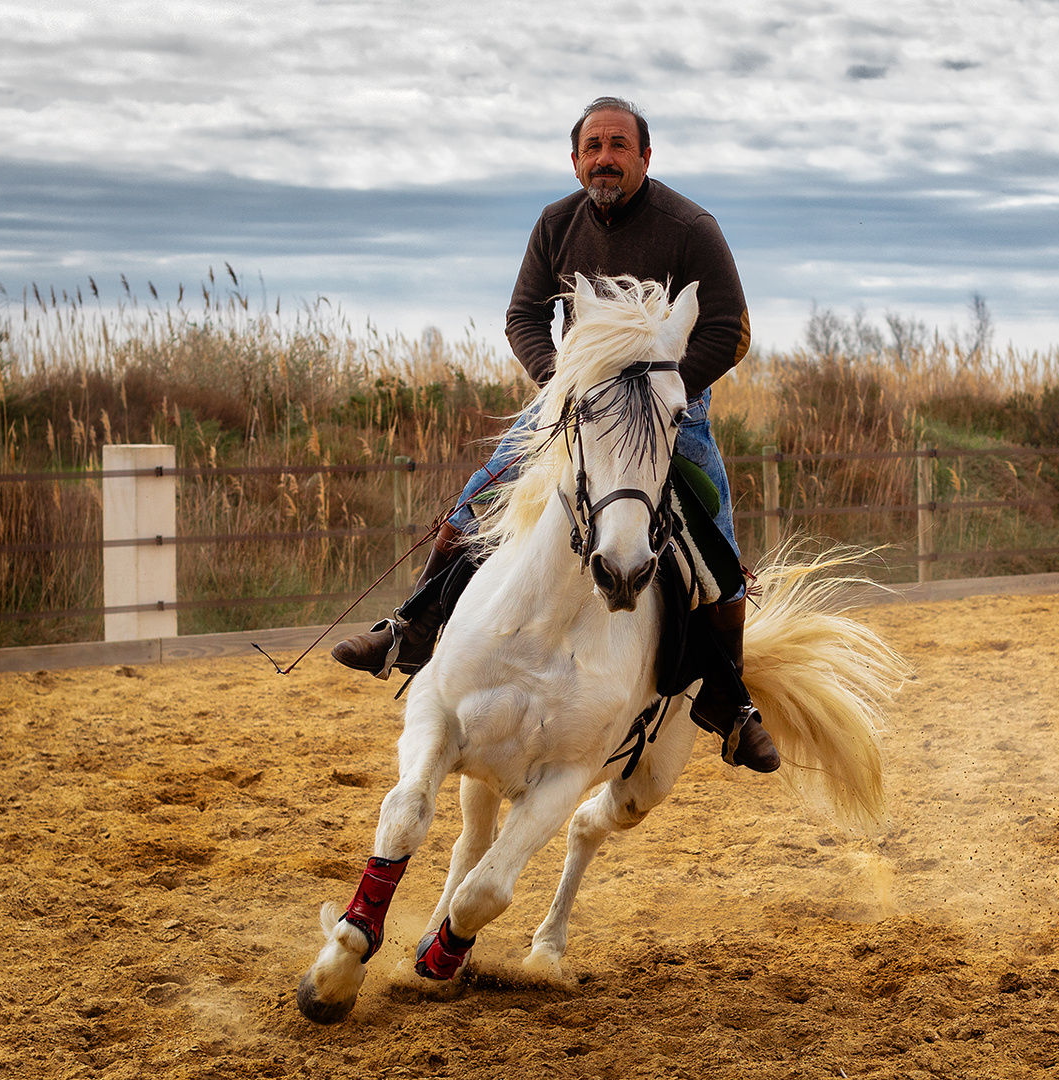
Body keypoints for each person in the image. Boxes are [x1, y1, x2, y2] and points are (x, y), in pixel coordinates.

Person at [331, 96, 779, 773]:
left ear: (645, 158)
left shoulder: (690, 226)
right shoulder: (555, 225)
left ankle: (731, 699)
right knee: (474, 500)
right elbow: (520, 317)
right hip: (575, 400)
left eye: (618, 145)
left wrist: (667, 390)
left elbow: (732, 328)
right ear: (574, 162)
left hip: (671, 408)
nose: (605, 157)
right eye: (592, 146)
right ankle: (412, 627)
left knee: (716, 547)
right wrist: (559, 382)